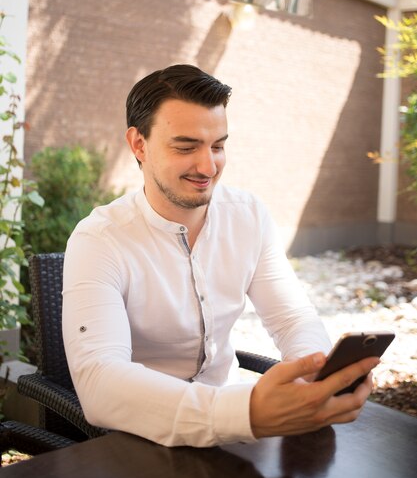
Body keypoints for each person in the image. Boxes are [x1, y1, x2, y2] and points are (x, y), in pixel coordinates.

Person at [62, 64, 378, 447]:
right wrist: (243, 413)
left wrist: (314, 374)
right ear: (138, 144)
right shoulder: (98, 240)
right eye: (186, 147)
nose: (208, 166)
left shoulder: (249, 215)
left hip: (236, 428)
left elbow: (292, 317)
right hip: (142, 431)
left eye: (218, 145)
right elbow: (100, 382)